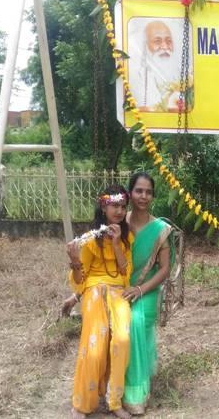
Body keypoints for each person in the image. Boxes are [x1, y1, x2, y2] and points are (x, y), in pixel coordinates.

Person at [66, 185, 134, 419]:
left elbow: (126, 275)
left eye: (123, 206)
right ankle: (82, 404)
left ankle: (114, 401)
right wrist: (75, 261)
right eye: (115, 205)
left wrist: (116, 245)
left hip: (118, 292)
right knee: (94, 346)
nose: (120, 211)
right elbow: (79, 281)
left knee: (122, 340)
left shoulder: (126, 237)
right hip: (94, 290)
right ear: (103, 207)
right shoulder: (90, 239)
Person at [121, 172, 175, 414]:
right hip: (119, 287)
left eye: (148, 192)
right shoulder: (119, 223)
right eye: (139, 191)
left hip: (148, 290)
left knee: (135, 320)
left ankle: (135, 390)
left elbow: (164, 270)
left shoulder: (160, 229)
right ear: (130, 193)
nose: (143, 196)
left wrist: (141, 290)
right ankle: (111, 384)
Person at [128, 20, 192, 113]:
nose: (165, 46)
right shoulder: (137, 76)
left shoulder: (182, 75)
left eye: (169, 41)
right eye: (157, 41)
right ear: (145, 46)